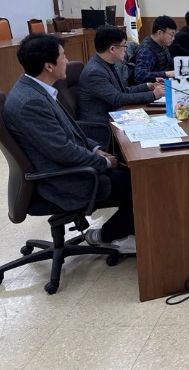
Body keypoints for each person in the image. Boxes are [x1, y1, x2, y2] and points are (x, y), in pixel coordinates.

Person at [2, 34, 136, 253]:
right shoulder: (31, 102)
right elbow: (63, 151)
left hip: (67, 165)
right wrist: (102, 162)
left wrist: (95, 148)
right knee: (139, 183)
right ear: (48, 66)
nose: (66, 60)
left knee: (132, 171)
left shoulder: (35, 88)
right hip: (62, 179)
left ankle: (123, 229)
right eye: (63, 56)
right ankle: (105, 236)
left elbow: (71, 131)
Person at [77, 26, 164, 148]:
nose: (126, 49)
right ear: (112, 49)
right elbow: (117, 99)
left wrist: (147, 86)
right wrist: (153, 95)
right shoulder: (95, 72)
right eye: (124, 46)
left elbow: (122, 91)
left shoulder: (111, 64)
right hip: (103, 127)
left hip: (117, 116)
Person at [134, 15, 177, 83]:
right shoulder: (146, 50)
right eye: (172, 34)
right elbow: (140, 75)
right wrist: (165, 74)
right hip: (154, 87)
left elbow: (169, 63)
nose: (173, 38)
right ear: (160, 33)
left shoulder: (162, 44)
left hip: (165, 83)